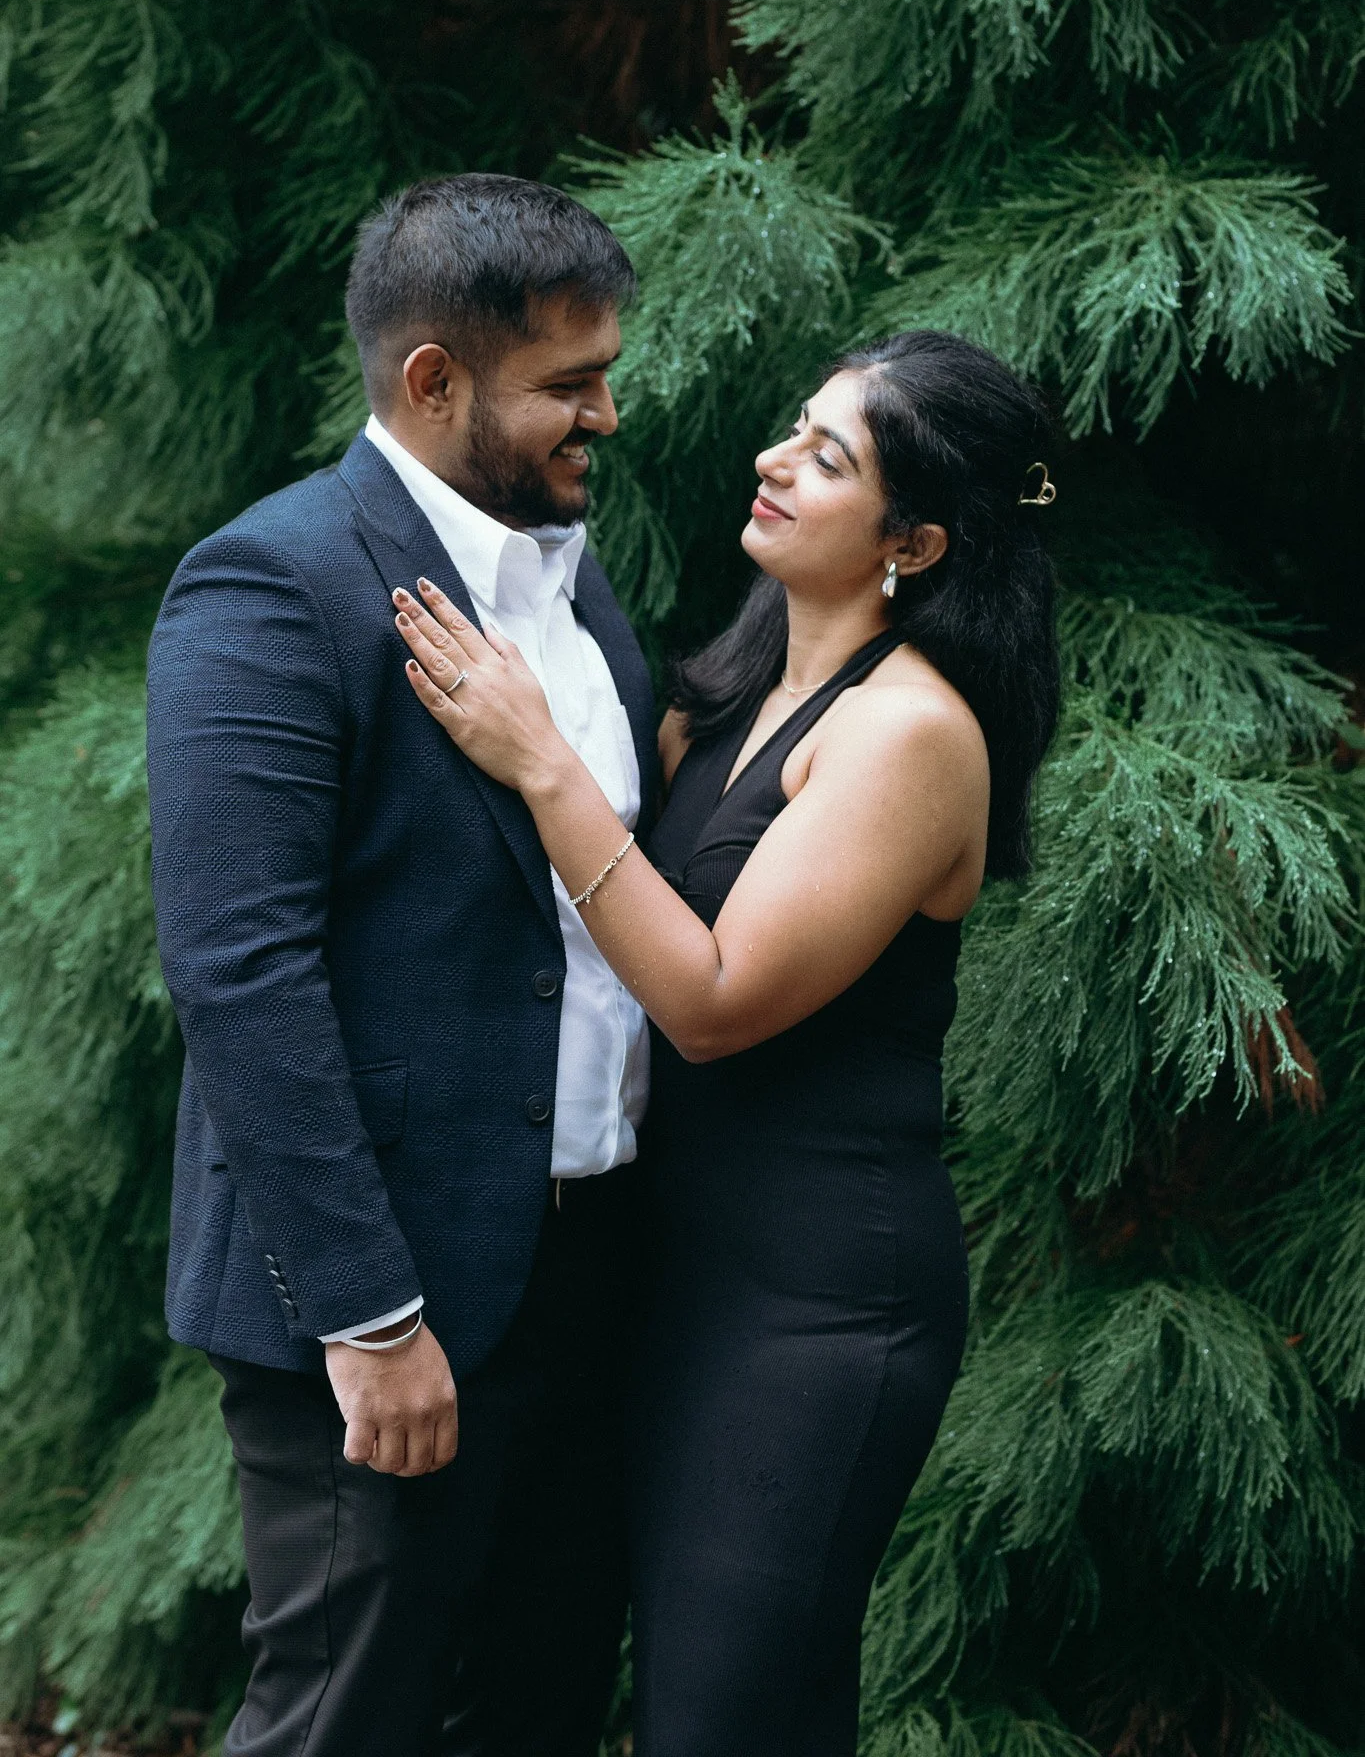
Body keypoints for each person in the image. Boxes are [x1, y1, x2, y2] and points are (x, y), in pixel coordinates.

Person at [393, 328, 1062, 1757]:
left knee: (720, 1723)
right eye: (795, 428)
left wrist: (539, 759)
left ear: (917, 542)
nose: (776, 461)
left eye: (830, 458)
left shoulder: (912, 738)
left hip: (817, 1308)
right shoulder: (725, 697)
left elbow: (705, 999)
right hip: (669, 1276)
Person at [145, 175, 656, 1757]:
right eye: (568, 385)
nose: (607, 416)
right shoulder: (271, 587)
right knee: (341, 1723)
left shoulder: (577, 586)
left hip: (588, 1279)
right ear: (434, 381)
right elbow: (241, 975)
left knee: (541, 1711)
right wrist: (369, 1319)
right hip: (386, 1301)